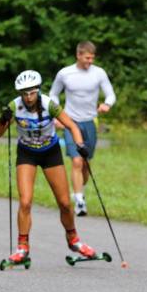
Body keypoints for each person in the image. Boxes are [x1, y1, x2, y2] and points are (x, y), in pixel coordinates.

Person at [0, 70, 97, 266]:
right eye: (24, 93)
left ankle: (74, 241)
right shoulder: (14, 107)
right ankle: (22, 247)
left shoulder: (49, 104)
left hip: (51, 153)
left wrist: (80, 144)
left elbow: (72, 126)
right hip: (27, 153)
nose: (28, 97)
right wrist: (2, 120)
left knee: (65, 203)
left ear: (38, 91)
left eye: (32, 92)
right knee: (25, 202)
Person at [49, 41, 116, 216]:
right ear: (78, 55)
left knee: (85, 163)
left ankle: (80, 190)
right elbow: (53, 94)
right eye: (87, 58)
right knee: (76, 161)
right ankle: (79, 201)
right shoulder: (65, 73)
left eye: (92, 58)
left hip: (90, 121)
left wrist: (107, 104)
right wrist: (58, 114)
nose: (90, 61)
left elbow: (110, 93)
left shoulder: (98, 73)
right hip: (71, 122)